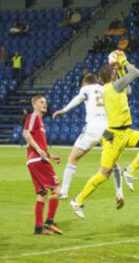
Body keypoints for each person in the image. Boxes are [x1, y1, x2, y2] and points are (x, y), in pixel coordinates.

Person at [71, 52, 139, 214]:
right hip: (113, 136)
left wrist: (118, 69)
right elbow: (135, 73)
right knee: (103, 174)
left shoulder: (113, 88)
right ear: (112, 77)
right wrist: (123, 62)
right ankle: (78, 200)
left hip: (125, 132)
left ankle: (130, 171)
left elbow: (129, 91)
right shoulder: (114, 87)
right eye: (115, 74)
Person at [51, 73, 122, 204]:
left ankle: (64, 191)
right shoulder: (105, 89)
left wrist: (64, 110)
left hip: (93, 128)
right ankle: (119, 193)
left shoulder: (87, 88)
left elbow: (79, 98)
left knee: (73, 158)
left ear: (85, 82)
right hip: (107, 128)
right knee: (114, 162)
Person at [24, 95, 64, 234]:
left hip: (34, 160)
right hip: (37, 159)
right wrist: (39, 149)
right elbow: (26, 133)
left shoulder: (40, 122)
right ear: (34, 105)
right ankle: (49, 222)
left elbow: (38, 143)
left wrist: (50, 156)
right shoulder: (33, 117)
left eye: (46, 102)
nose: (44, 104)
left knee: (42, 194)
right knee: (57, 189)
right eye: (41, 102)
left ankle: (38, 228)